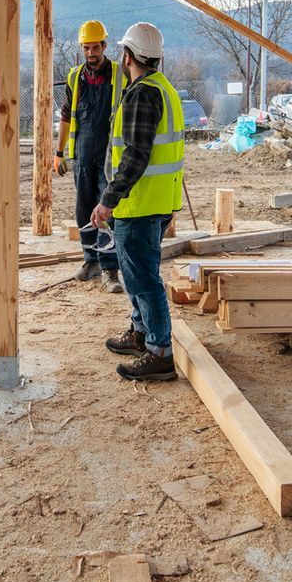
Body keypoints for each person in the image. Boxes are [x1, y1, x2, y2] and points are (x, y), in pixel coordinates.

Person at [90, 21, 185, 382]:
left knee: (143, 279)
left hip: (140, 205)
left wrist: (108, 200)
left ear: (127, 55)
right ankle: (140, 332)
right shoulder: (164, 88)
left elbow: (135, 155)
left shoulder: (143, 94)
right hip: (152, 202)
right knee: (135, 275)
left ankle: (159, 350)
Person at [55, 19, 120, 290]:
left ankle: (109, 269)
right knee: (83, 209)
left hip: (108, 154)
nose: (91, 53)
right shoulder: (74, 77)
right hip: (81, 153)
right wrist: (58, 153)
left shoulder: (120, 74)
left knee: (106, 211)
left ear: (104, 45)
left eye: (95, 47)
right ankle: (90, 260)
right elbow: (67, 117)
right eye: (86, 48)